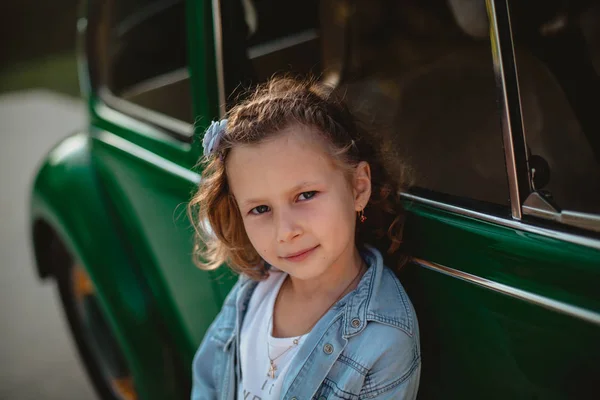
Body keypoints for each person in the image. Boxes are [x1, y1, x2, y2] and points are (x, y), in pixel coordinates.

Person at [187, 76, 420, 400]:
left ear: (358, 187)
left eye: (306, 195)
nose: (286, 231)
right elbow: (208, 382)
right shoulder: (255, 288)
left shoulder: (383, 337)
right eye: (260, 209)